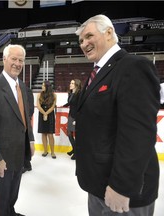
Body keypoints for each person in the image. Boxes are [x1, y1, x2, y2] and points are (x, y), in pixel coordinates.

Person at [75, 14, 160, 216]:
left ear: (109, 32)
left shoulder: (133, 67)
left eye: (88, 36)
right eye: (80, 41)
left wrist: (122, 186)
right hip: (98, 186)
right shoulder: (97, 72)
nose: (84, 43)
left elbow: (138, 134)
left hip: (121, 193)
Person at [0, 44, 35, 216]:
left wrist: (31, 140)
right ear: (4, 59)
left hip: (20, 153)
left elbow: (26, 118)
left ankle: (10, 212)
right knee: (2, 200)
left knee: (12, 196)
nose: (18, 63)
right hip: (2, 157)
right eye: (14, 59)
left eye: (21, 60)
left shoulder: (23, 88)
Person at [37, 80, 57, 159]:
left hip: (50, 115)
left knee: (50, 134)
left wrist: (47, 113)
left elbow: (53, 107)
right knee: (43, 134)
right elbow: (38, 106)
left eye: (43, 85)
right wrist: (44, 113)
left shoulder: (54, 95)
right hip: (42, 114)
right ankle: (45, 151)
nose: (42, 87)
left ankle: (52, 152)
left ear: (47, 87)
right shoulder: (39, 95)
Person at [63, 79, 82, 160]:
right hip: (70, 115)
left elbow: (80, 107)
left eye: (72, 83)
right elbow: (70, 103)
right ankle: (74, 149)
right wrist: (63, 105)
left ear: (76, 85)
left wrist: (77, 119)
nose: (70, 84)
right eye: (70, 83)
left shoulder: (79, 94)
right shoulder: (70, 93)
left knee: (76, 135)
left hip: (76, 117)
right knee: (69, 134)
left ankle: (77, 152)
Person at [22, 85, 35, 173]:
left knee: (25, 143)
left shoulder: (27, 91)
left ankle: (27, 164)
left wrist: (27, 117)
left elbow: (31, 108)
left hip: (25, 121)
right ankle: (26, 164)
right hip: (17, 122)